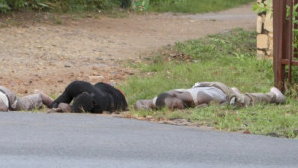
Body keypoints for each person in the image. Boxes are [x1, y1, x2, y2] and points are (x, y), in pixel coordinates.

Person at [134, 82, 286, 110]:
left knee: (239, 102)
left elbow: (222, 105)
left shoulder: (200, 98)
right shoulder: (164, 99)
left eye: (175, 106)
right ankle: (235, 91)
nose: (175, 110)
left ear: (176, 96)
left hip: (218, 91)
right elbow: (139, 102)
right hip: (204, 85)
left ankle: (274, 96)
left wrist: (204, 108)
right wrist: (141, 108)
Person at [49, 80, 128, 113]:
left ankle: (60, 106)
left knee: (75, 87)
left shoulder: (106, 89)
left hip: (97, 97)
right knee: (100, 101)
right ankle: (64, 106)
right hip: (101, 100)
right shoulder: (119, 97)